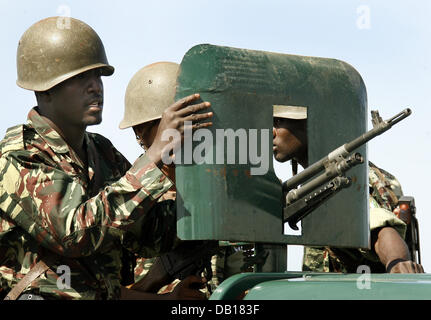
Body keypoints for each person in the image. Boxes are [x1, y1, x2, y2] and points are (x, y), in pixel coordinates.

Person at [0, 17, 212, 300]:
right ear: (45, 88)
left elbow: (150, 235)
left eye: (98, 76)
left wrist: (209, 185)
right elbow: (74, 233)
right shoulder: (19, 155)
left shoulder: (102, 153)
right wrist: (154, 156)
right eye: (80, 78)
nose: (95, 87)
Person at [119, 61, 252, 296]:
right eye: (177, 123)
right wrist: (155, 284)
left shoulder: (226, 185)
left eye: (196, 122)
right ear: (140, 132)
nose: (189, 132)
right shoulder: (127, 197)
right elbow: (106, 291)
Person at [272, 105, 424, 274]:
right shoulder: (312, 182)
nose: (271, 132)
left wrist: (397, 263)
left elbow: (378, 228)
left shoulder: (349, 175)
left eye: (279, 122)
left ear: (311, 125)